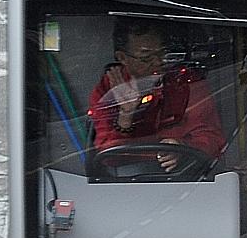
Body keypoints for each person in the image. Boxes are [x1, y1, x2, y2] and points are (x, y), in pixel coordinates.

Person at [88, 20, 227, 168]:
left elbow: (213, 139)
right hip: (122, 177)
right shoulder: (107, 91)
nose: (158, 62)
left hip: (185, 174)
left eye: (162, 53)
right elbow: (107, 158)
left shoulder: (186, 82)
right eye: (146, 58)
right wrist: (125, 116)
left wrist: (183, 146)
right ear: (122, 58)